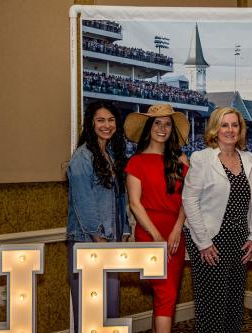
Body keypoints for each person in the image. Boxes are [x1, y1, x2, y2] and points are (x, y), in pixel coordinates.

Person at [182, 107, 252, 333]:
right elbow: (189, 200)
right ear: (215, 129)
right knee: (212, 304)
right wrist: (204, 243)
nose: (230, 130)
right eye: (224, 125)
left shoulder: (249, 158)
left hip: (239, 240)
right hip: (210, 240)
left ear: (240, 129)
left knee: (235, 302)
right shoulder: (202, 158)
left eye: (234, 125)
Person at [66, 100, 131, 333]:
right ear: (91, 124)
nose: (107, 125)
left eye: (111, 120)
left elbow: (118, 199)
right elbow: (84, 203)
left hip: (108, 242)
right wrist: (99, 239)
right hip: (88, 241)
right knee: (89, 312)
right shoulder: (82, 157)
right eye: (101, 120)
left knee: (109, 310)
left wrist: (124, 230)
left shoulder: (111, 154)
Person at [124, 104, 190, 333]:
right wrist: (156, 235)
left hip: (175, 234)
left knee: (164, 295)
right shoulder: (136, 162)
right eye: (157, 123)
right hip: (149, 233)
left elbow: (187, 199)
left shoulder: (181, 159)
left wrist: (177, 229)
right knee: (166, 294)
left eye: (168, 123)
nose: (163, 128)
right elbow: (135, 204)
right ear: (148, 127)